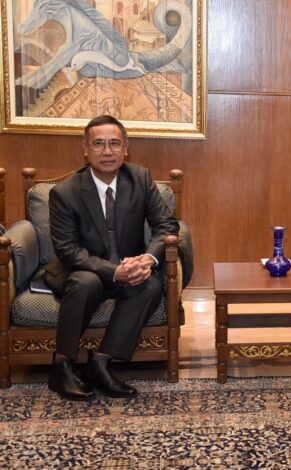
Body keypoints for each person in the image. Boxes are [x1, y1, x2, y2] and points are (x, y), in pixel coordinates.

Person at [45, 115, 179, 401]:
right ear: (86, 149)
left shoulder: (140, 178)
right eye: (98, 144)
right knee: (86, 283)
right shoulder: (65, 193)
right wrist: (115, 271)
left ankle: (100, 364)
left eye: (114, 143)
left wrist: (147, 260)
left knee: (151, 285)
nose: (107, 151)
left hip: (128, 268)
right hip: (82, 269)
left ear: (125, 147)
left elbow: (166, 226)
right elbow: (68, 250)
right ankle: (62, 366)